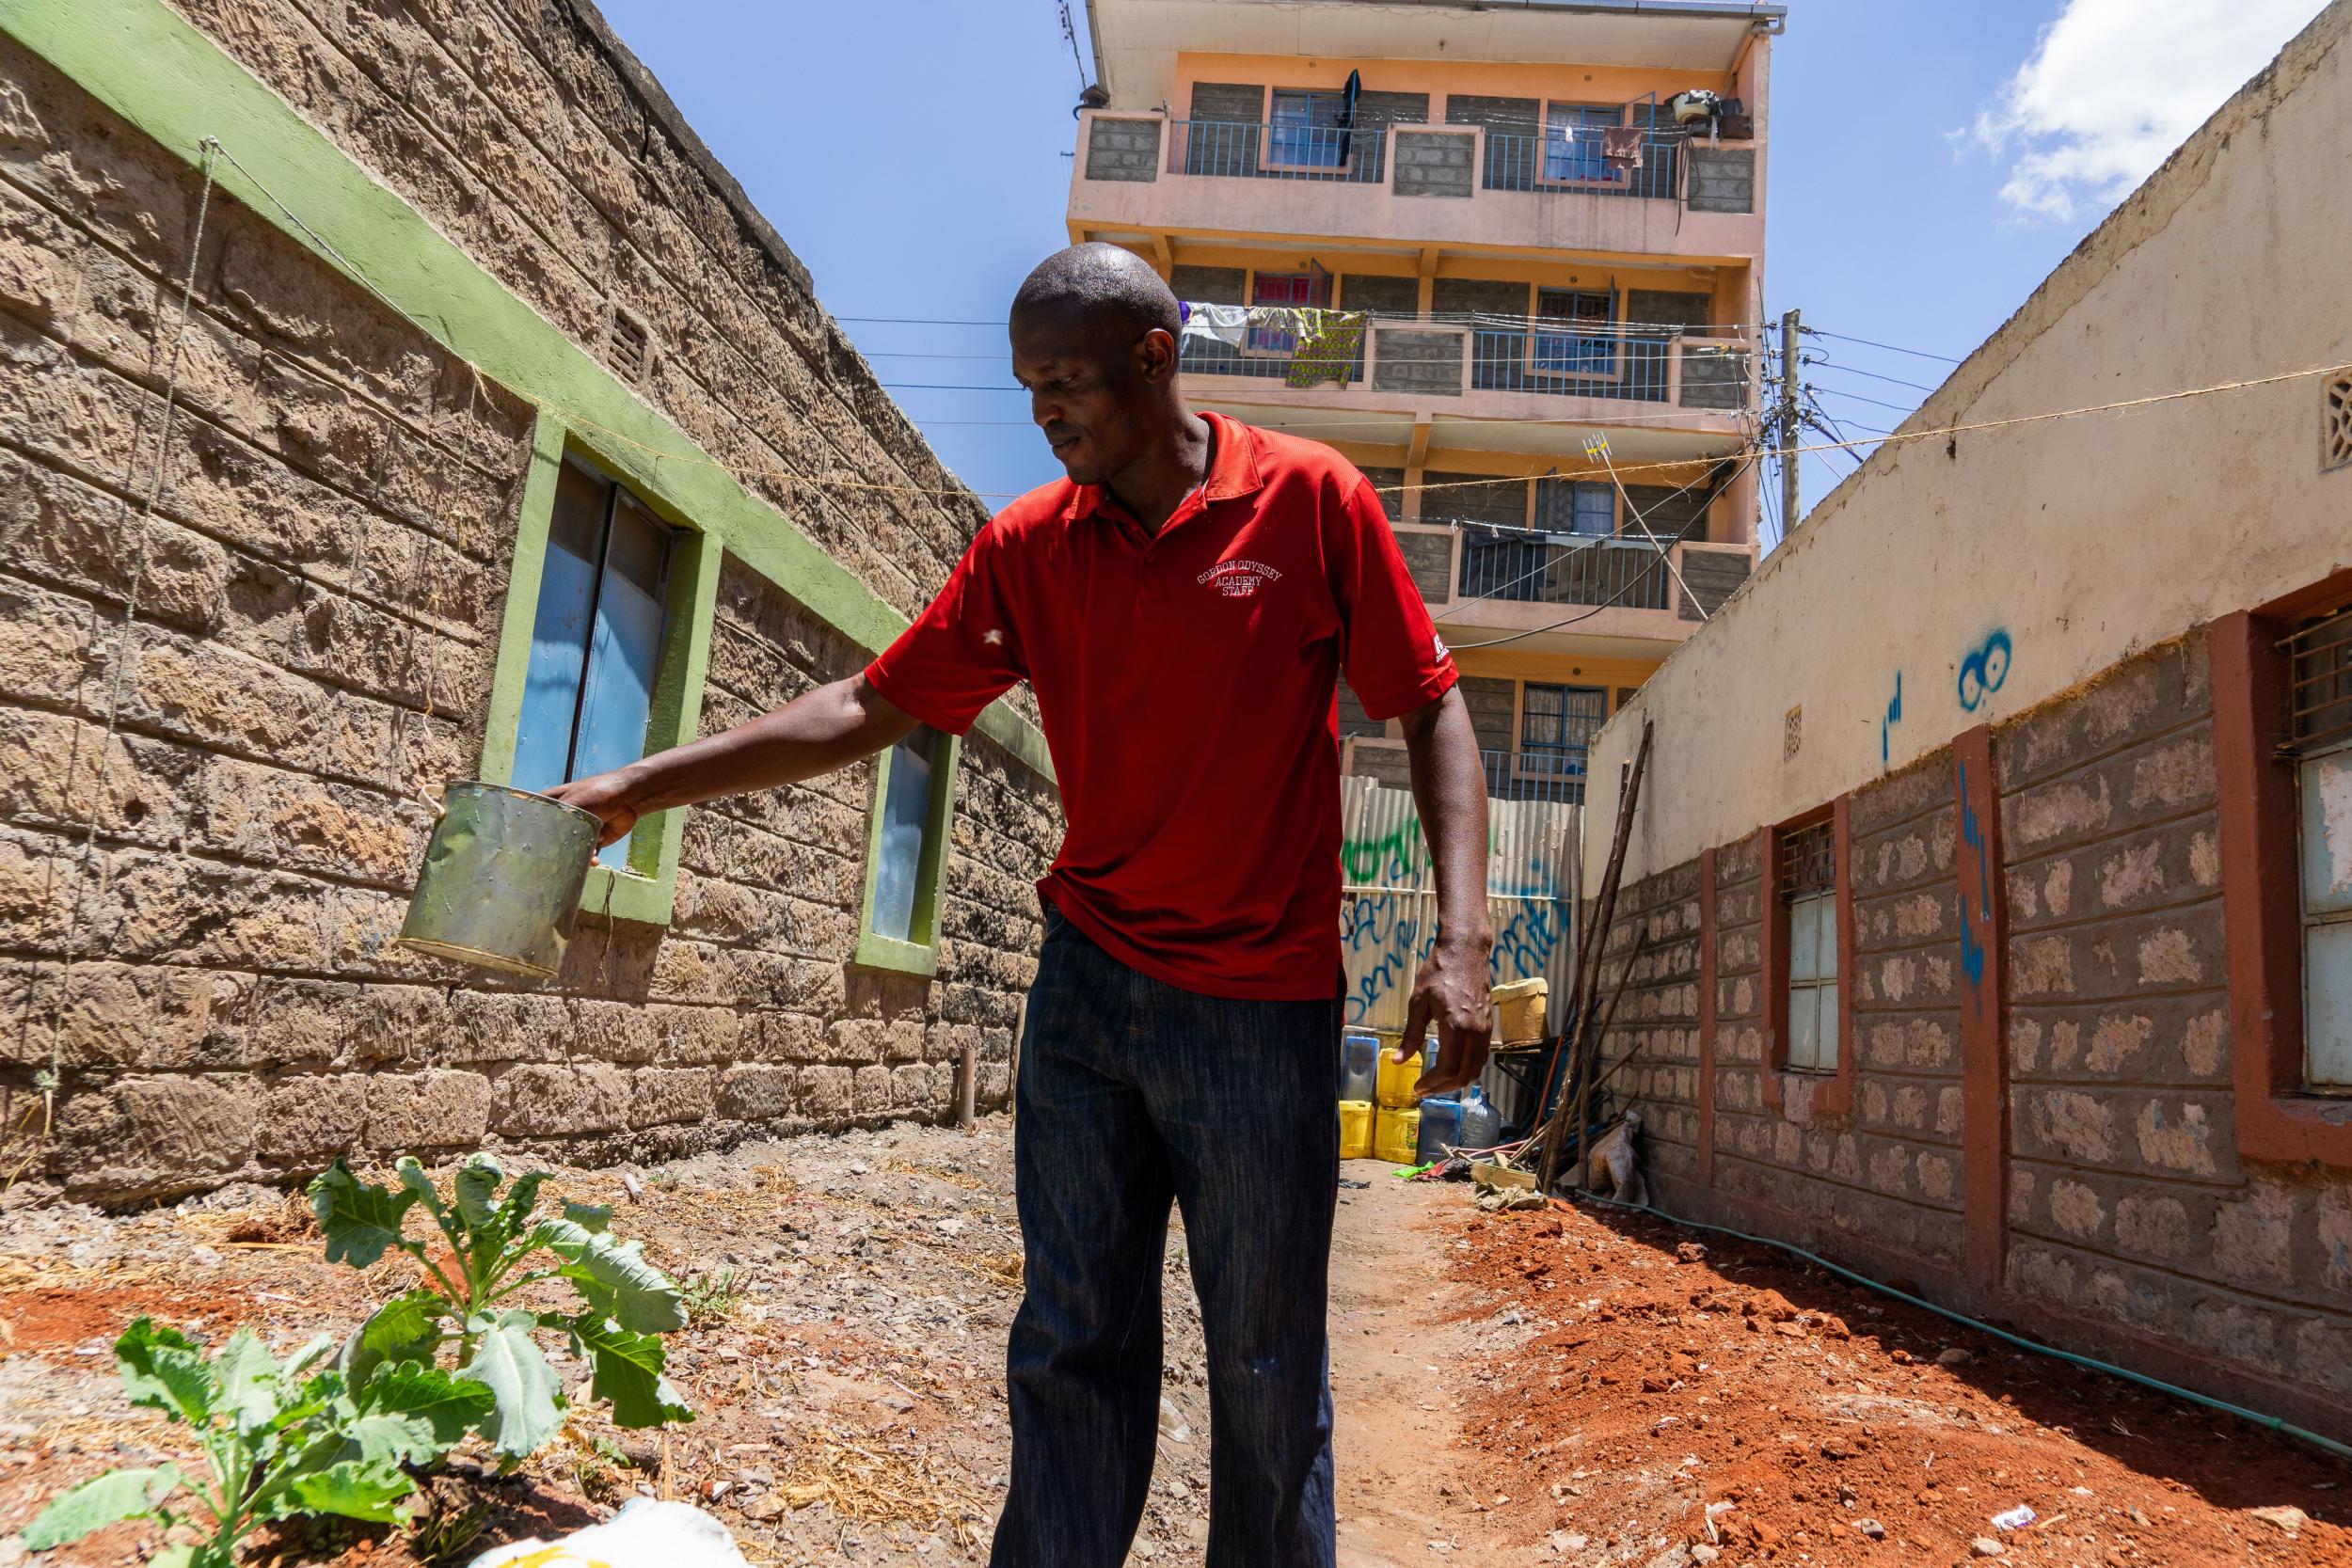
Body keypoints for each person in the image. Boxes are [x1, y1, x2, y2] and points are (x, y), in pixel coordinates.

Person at [548, 243, 1494, 1568]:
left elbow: (1431, 700)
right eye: (1026, 387)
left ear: (1154, 360)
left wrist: (1462, 936)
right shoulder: (1030, 551)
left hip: (1260, 1012)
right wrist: (644, 783)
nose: (1042, 413)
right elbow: (866, 706)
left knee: (1269, 1365)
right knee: (1070, 1342)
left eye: (1065, 383)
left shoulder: (1310, 505)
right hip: (1090, 997)